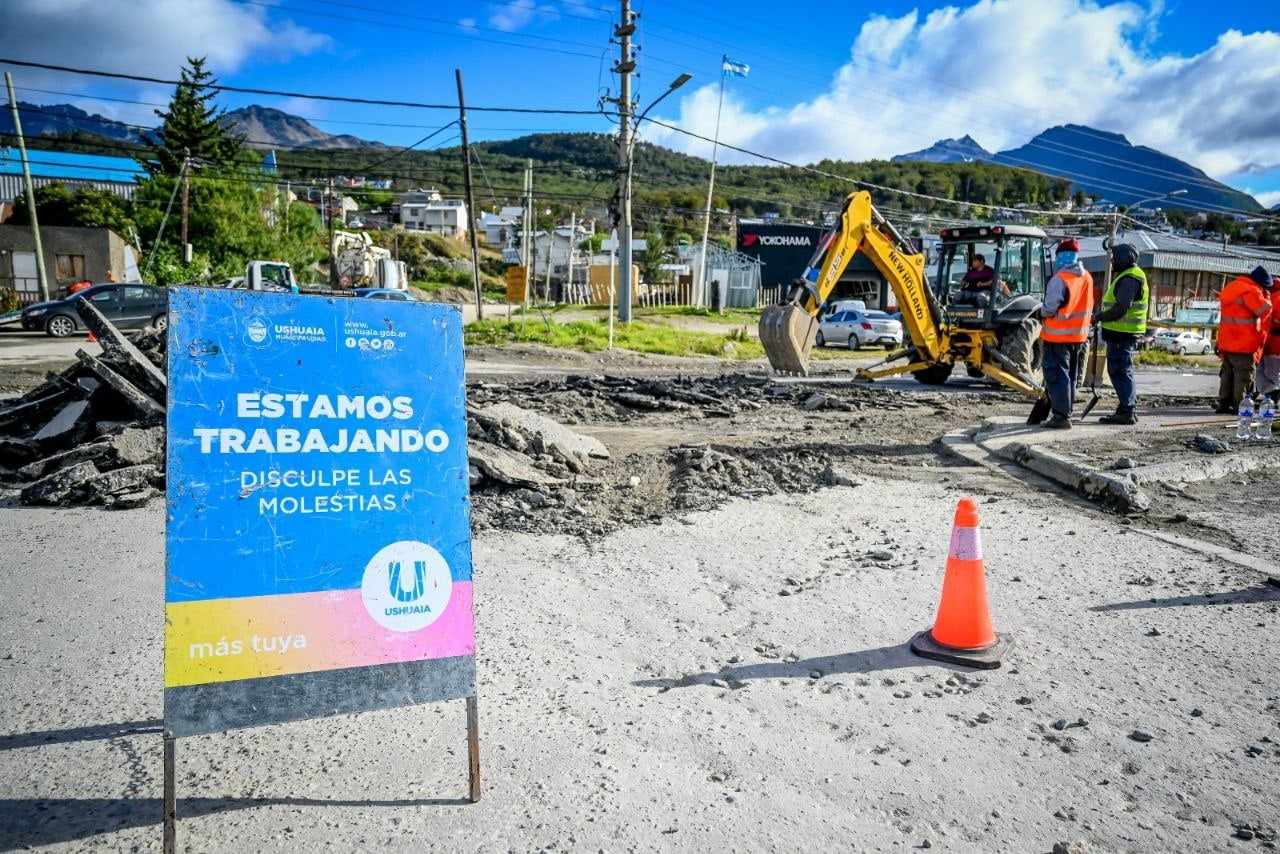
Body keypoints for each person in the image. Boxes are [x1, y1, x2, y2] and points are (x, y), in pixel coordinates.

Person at [1037, 238, 1094, 429]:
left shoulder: (1060, 278)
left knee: (1056, 375)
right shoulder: (1087, 277)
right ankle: (1065, 412)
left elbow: (1049, 308)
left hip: (1057, 337)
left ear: (1061, 256)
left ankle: (1061, 417)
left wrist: (1040, 312)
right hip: (1078, 337)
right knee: (1069, 376)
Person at [1094, 243, 1148, 425]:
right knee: (1120, 371)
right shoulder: (1127, 276)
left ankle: (1127, 410)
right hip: (1119, 334)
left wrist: (1099, 317)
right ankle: (1127, 406)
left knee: (1120, 371)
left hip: (1122, 335)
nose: (1112, 261)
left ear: (1125, 258)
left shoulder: (1130, 278)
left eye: (1115, 258)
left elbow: (1121, 308)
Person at [1215, 266, 1273, 413]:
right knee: (1243, 375)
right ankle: (1240, 406)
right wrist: (1267, 297)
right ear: (1260, 283)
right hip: (1243, 343)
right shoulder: (1251, 291)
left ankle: (1223, 404)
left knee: (1227, 374)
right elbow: (1263, 311)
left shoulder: (1231, 286)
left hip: (1226, 341)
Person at [1256, 275, 1280, 406]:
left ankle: (1271, 397)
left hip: (1270, 342)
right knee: (1272, 371)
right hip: (1273, 343)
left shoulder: (1272, 299)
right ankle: (1271, 397)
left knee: (1268, 371)